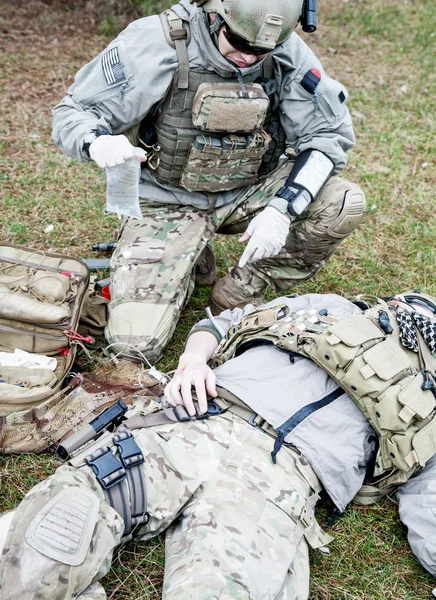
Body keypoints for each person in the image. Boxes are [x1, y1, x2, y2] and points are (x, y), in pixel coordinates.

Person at [1, 291, 436, 600]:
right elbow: (222, 323)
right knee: (56, 527)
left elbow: (428, 505)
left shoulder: (430, 406)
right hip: (199, 419)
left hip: (280, 477)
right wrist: (192, 359)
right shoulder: (332, 307)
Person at [52, 0, 366, 362]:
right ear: (215, 15)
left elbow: (328, 136)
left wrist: (282, 208)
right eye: (240, 43)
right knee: (133, 345)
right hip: (168, 198)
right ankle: (186, 263)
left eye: (262, 51)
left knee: (343, 203)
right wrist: (96, 141)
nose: (249, 58)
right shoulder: (158, 40)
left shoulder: (286, 51)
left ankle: (241, 289)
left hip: (249, 188)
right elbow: (74, 111)